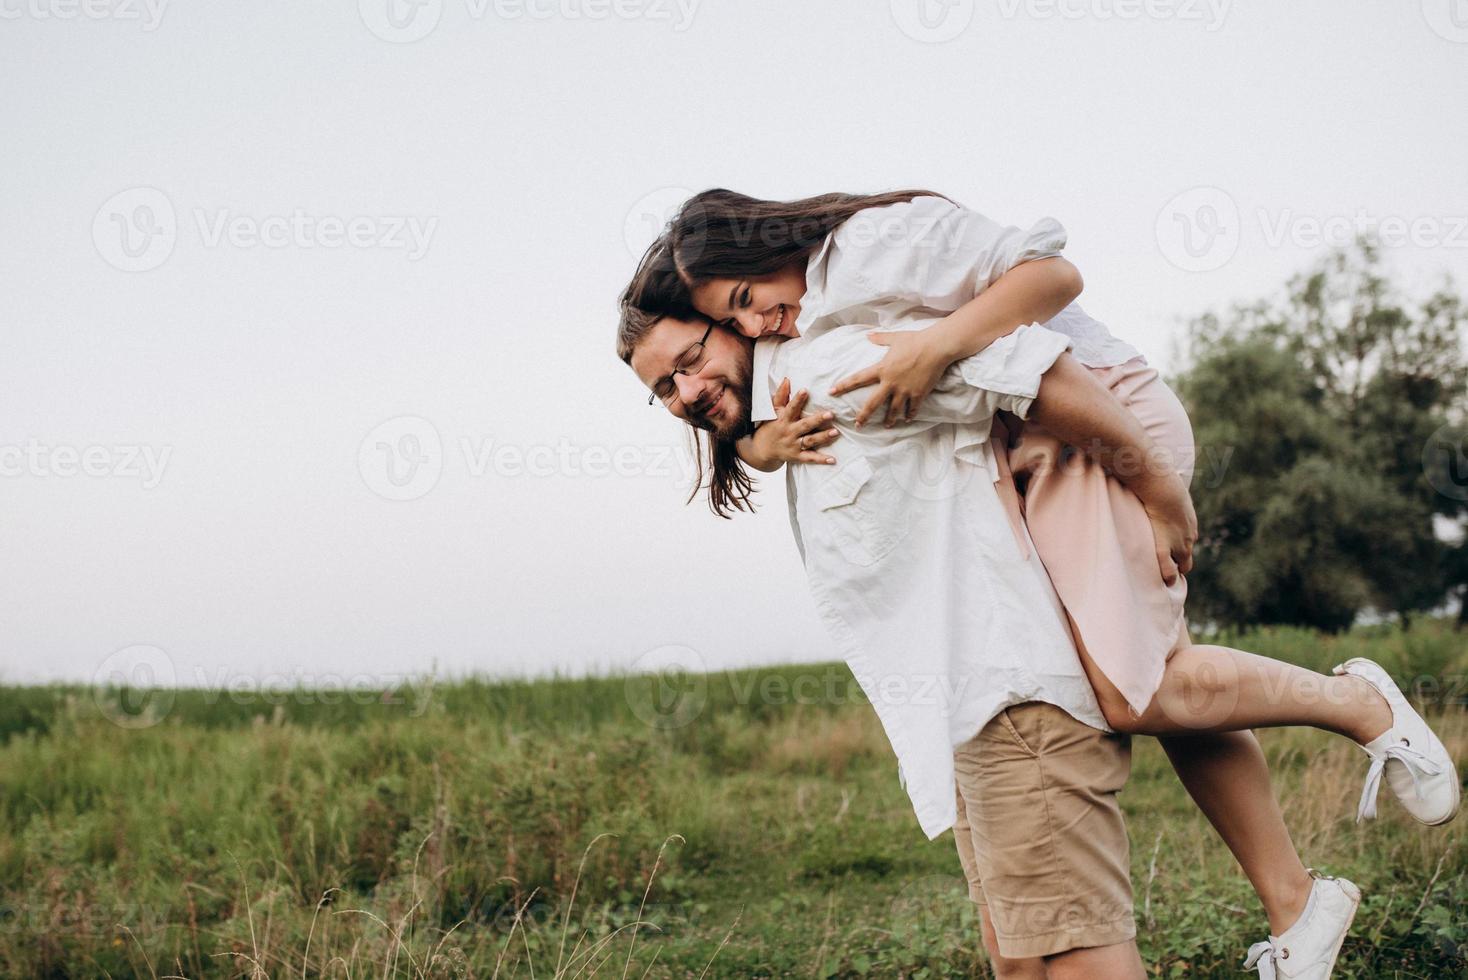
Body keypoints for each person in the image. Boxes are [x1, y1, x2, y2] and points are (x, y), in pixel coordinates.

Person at [639, 188, 1458, 976]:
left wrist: (1159, 488)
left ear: (771, 243)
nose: (750, 322)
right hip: (1040, 450)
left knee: (1133, 692)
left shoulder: (868, 255)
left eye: (741, 305)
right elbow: (758, 404)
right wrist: (757, 447)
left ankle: (1361, 708)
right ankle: (1295, 905)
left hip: (1100, 423)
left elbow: (1051, 287)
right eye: (729, 318)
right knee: (1152, 679)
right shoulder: (803, 328)